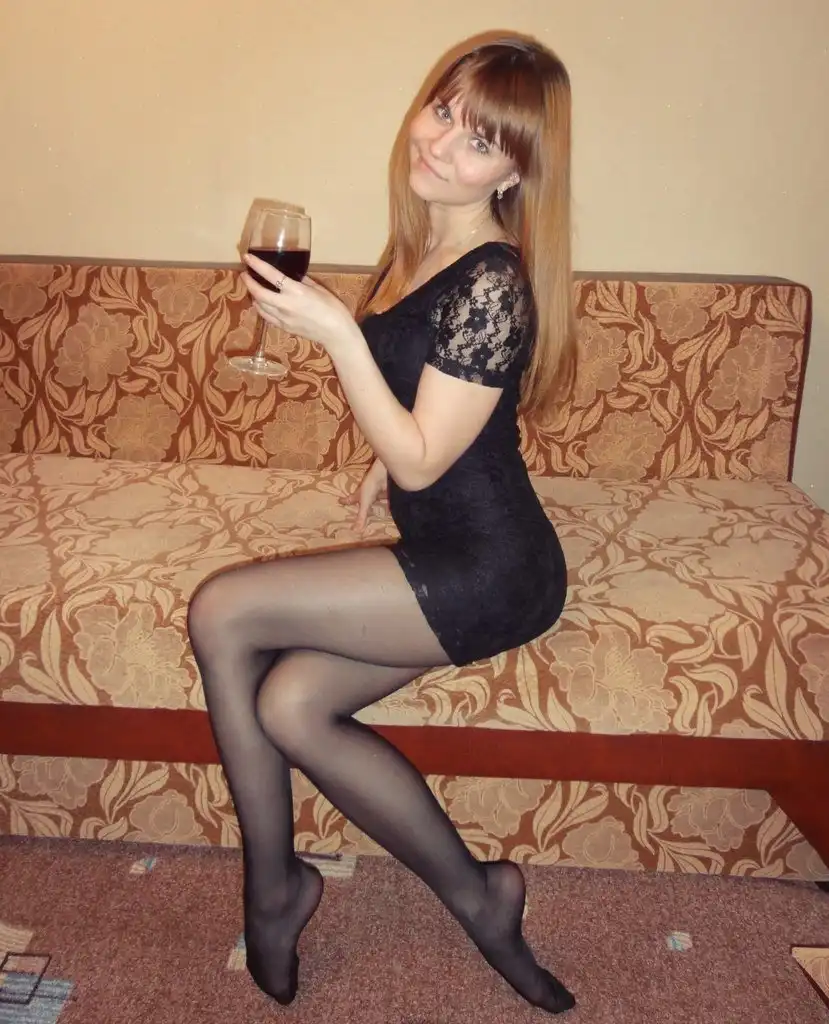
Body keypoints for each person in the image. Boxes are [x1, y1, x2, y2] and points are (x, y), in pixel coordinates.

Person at [187, 30, 577, 1015]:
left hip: (493, 569)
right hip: (441, 542)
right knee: (289, 705)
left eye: (479, 141)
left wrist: (335, 334)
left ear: (514, 172)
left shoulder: (493, 282)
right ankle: (479, 895)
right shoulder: (424, 245)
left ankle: (271, 889)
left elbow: (423, 456)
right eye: (442, 111)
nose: (440, 143)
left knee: (223, 610)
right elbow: (429, 404)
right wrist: (379, 468)